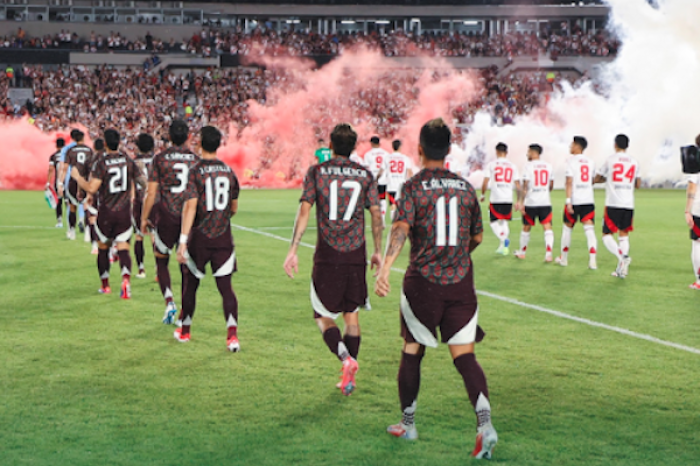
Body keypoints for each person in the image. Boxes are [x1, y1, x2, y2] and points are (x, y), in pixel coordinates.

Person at [375, 118, 497, 459]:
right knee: (466, 357)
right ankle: (485, 424)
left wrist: (385, 269)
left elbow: (400, 228)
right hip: (461, 283)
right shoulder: (466, 188)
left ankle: (408, 424)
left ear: (420, 148)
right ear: (449, 149)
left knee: (413, 349)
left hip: (423, 284)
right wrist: (455, 256)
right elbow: (477, 237)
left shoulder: (413, 188)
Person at [283, 123, 383, 396]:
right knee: (352, 316)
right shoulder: (365, 175)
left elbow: (304, 211)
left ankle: (345, 359)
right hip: (356, 254)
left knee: (322, 316)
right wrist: (377, 251)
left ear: (331, 145)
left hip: (328, 254)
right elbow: (376, 214)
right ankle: (349, 378)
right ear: (353, 147)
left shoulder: (317, 172)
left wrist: (293, 250)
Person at [176, 126, 241, 351]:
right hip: (223, 238)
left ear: (201, 144)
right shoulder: (228, 172)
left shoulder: (194, 171)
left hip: (199, 238)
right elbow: (233, 208)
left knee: (191, 286)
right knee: (226, 289)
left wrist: (183, 240)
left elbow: (190, 206)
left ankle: (185, 331)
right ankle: (232, 336)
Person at [70, 129, 145, 298]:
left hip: (106, 213)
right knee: (124, 247)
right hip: (124, 212)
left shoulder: (101, 163)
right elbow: (142, 181)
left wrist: (77, 177)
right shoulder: (128, 161)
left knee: (103, 248)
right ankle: (126, 280)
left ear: (105, 144)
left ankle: (105, 285)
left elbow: (91, 187)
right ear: (119, 143)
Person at [141, 120, 199, 324]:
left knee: (161, 259)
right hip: (188, 218)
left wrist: (144, 217)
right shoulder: (195, 159)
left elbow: (151, 192)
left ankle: (169, 302)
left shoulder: (160, 159)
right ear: (188, 136)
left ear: (169, 136)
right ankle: (184, 312)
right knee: (185, 264)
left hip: (166, 216)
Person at [595, 134, 639, 278]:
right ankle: (622, 270)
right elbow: (637, 184)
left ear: (615, 144)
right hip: (628, 203)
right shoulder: (634, 161)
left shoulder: (611, 159)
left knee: (606, 235)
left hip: (613, 202)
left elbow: (598, 177)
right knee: (624, 235)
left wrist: (602, 180)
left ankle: (622, 257)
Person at [556, 136, 597, 269]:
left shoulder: (571, 161)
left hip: (574, 200)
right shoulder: (591, 162)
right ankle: (592, 261)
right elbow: (592, 179)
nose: (570, 146)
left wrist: (568, 201)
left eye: (572, 144)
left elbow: (569, 182)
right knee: (589, 231)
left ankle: (564, 259)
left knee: (567, 229)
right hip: (588, 200)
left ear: (578, 146)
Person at [514, 144, 555, 261]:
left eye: (528, 152)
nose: (527, 154)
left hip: (531, 202)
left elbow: (525, 185)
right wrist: (545, 192)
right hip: (545, 201)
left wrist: (521, 202)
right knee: (547, 226)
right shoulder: (548, 166)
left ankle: (522, 253)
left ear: (533, 152)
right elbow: (551, 185)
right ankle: (548, 254)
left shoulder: (528, 167)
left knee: (526, 227)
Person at [481, 142, 520, 255]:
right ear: (506, 153)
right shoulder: (513, 166)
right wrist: (518, 200)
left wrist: (483, 195)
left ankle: (503, 240)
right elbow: (518, 185)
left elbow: (485, 181)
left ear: (496, 152)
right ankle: (503, 247)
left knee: (493, 223)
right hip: (508, 198)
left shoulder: (492, 165)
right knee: (504, 222)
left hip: (496, 198)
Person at [59, 130, 92, 240]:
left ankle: (72, 231)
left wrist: (60, 183)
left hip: (73, 181)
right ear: (83, 138)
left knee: (72, 207)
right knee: (87, 206)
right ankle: (87, 232)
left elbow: (64, 168)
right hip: (86, 181)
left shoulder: (70, 151)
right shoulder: (89, 150)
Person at [133, 133, 155, 279]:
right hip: (155, 200)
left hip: (140, 200)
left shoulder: (133, 163)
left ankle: (141, 269)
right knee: (154, 235)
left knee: (139, 235)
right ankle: (159, 269)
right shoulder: (157, 160)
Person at [363, 136, 390, 221]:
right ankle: (383, 218)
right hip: (383, 179)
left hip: (373, 180)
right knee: (382, 199)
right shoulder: (386, 154)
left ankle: (376, 219)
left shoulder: (368, 154)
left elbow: (366, 169)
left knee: (373, 200)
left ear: (371, 143)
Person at [384, 140, 414, 209]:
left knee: (392, 208)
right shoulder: (405, 158)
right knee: (401, 208)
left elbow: (383, 171)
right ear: (400, 147)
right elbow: (410, 173)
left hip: (391, 186)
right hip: (401, 186)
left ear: (392, 147)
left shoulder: (387, 158)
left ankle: (393, 219)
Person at [47, 138, 65, 228]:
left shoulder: (53, 156)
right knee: (70, 202)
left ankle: (59, 222)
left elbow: (50, 170)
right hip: (68, 181)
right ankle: (72, 222)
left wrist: (48, 182)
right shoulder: (68, 155)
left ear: (56, 145)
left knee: (59, 202)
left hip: (58, 182)